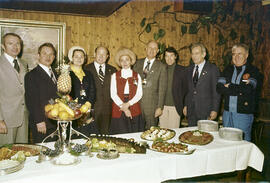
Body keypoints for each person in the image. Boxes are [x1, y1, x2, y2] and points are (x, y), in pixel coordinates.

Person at [216, 43, 262, 141]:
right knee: (226, 142)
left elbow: (247, 89)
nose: (236, 57)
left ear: (247, 55)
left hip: (244, 115)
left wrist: (229, 86)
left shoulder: (253, 71)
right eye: (234, 54)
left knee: (243, 143)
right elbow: (219, 88)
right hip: (227, 114)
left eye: (240, 54)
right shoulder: (227, 69)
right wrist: (239, 88)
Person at [25, 43, 58, 143]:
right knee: (43, 152)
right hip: (42, 123)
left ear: (54, 57)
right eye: (44, 53)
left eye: (51, 54)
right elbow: (32, 100)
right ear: (38, 55)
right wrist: (39, 121)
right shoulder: (32, 75)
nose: (48, 57)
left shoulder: (56, 74)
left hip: (55, 120)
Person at [0, 33, 28, 145]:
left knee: (22, 153)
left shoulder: (23, 64)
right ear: (3, 46)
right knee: (5, 155)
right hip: (6, 119)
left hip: (23, 117)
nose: (15, 47)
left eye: (18, 44)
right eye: (10, 43)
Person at [183, 43, 220, 126]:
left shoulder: (212, 69)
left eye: (197, 53)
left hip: (206, 111)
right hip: (191, 111)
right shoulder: (189, 69)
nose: (194, 56)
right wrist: (186, 105)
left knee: (205, 137)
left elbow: (216, 91)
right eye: (192, 54)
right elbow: (188, 90)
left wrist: (215, 109)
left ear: (204, 54)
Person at [133, 41, 167, 129]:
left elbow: (162, 89)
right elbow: (133, 82)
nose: (152, 50)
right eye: (150, 48)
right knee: (137, 129)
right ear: (146, 49)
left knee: (151, 131)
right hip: (137, 104)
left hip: (152, 106)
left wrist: (160, 107)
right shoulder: (137, 63)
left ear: (158, 51)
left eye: (155, 48)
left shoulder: (161, 66)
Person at [110, 48, 144, 134]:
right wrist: (125, 109)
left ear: (131, 61)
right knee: (121, 132)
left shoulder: (136, 76)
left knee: (134, 132)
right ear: (119, 62)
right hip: (119, 105)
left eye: (127, 60)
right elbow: (113, 94)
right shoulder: (115, 75)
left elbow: (139, 94)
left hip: (133, 104)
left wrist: (128, 104)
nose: (124, 62)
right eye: (122, 60)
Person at [84, 46, 116, 134]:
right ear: (94, 54)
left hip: (108, 110)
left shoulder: (113, 70)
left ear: (107, 56)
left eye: (104, 54)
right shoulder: (86, 69)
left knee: (106, 137)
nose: (101, 56)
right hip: (92, 110)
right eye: (99, 54)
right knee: (91, 136)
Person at [68, 46, 99, 136]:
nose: (79, 59)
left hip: (87, 111)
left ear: (84, 59)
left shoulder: (88, 74)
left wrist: (88, 104)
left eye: (81, 56)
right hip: (72, 111)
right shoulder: (66, 73)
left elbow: (93, 91)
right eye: (76, 56)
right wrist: (75, 107)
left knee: (88, 136)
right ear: (72, 58)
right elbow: (64, 95)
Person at [159, 47, 187, 128]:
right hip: (162, 107)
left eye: (171, 56)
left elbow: (186, 90)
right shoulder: (161, 69)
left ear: (175, 56)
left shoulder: (182, 70)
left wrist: (185, 105)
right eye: (167, 56)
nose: (169, 58)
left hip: (175, 106)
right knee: (163, 132)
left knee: (174, 132)